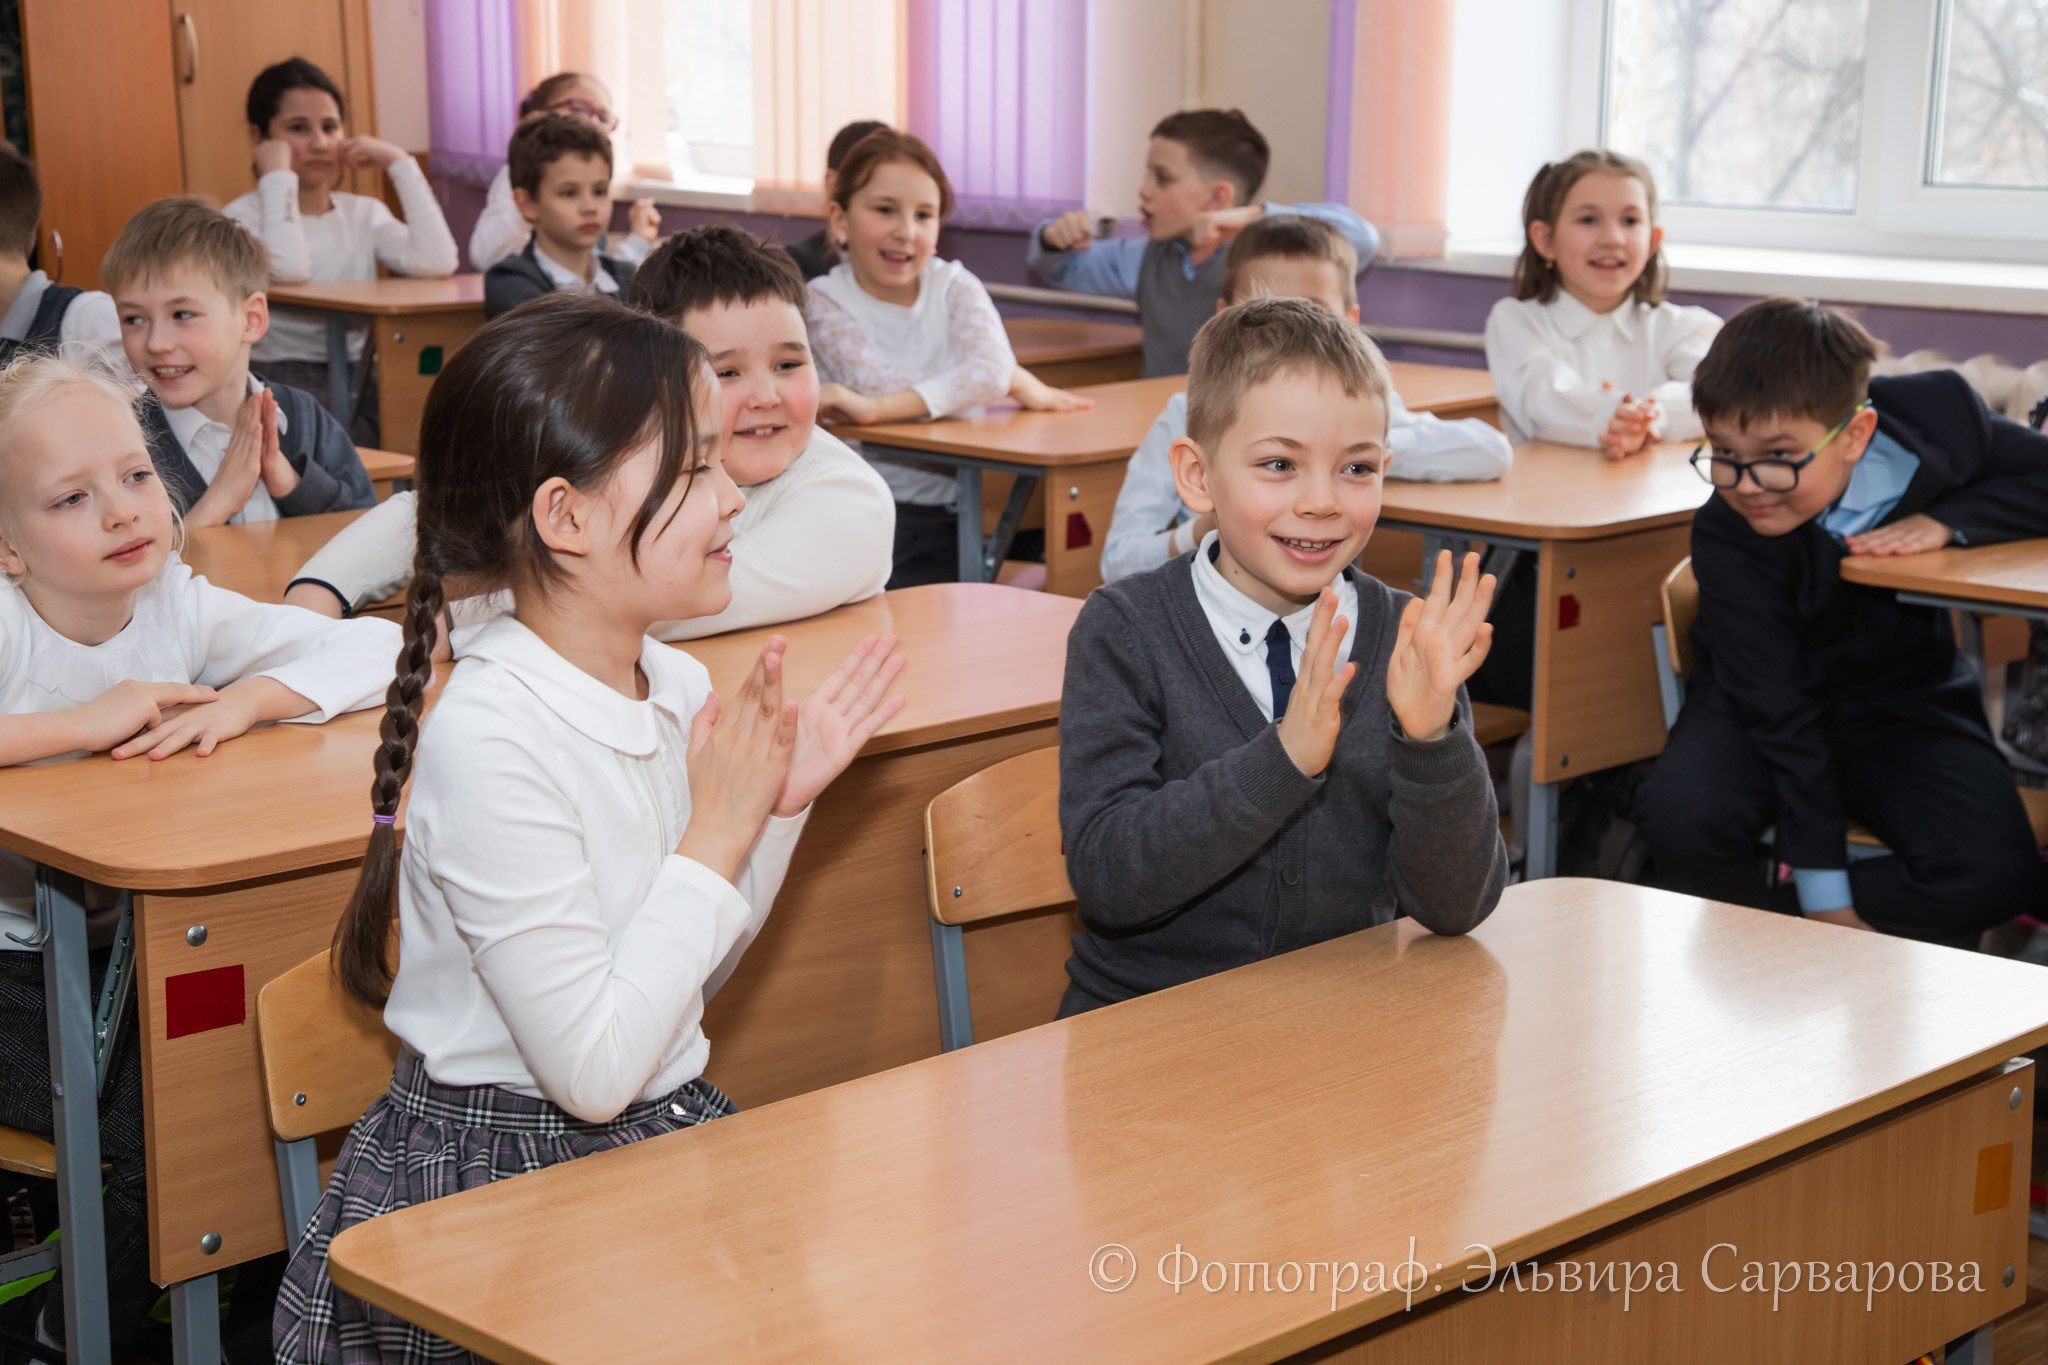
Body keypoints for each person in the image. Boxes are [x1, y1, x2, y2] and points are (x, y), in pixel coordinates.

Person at [0, 346, 396, 1355]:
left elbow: (385, 649)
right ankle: (77, 1327)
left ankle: (258, 1301)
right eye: (72, 499)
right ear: (7, 547)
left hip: (129, 945)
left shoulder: (175, 601)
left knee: (246, 1071)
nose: (126, 511)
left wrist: (254, 696)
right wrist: (84, 722)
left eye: (136, 476)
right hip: (11, 963)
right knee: (163, 1125)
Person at [1057, 297, 1508, 1014]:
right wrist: (1285, 758)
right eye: (1279, 464)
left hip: (1337, 1025)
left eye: (1357, 469)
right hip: (1149, 1027)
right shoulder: (1124, 630)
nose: (1323, 501)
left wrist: (1431, 741)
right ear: (1197, 477)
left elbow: (1457, 907)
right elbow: (1111, 877)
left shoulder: (1405, 637)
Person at [1636, 298, 2048, 943]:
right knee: (1679, 820)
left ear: (1854, 435)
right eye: (1721, 452)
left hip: (1901, 704)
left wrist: (1951, 522)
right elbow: (1781, 715)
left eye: (1777, 455)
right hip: (1755, 706)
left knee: (1997, 874)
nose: (1746, 484)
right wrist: (1825, 886)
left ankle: (1783, 917)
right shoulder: (1728, 530)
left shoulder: (1940, 417)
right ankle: (1788, 934)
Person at [283, 225, 896, 639]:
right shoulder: (623, 450)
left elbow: (661, 604)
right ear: (656, 375)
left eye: (790, 364)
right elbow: (439, 508)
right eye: (726, 371)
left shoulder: (852, 506)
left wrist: (453, 624)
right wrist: (318, 595)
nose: (767, 395)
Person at [1100, 214, 1510, 583]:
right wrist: (1204, 528)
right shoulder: (1183, 413)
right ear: (1223, 316)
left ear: (1350, 324)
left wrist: (1348, 451)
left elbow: (1491, 451)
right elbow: (1117, 563)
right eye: (1279, 463)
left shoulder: (1366, 412)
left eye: (1310, 311)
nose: (1287, 332)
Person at [1028, 108, 1380, 377]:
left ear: (1217, 198)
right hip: (1165, 425)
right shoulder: (1147, 256)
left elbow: (1362, 238)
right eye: (1147, 174)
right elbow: (1065, 266)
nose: (1144, 190)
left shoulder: (1264, 260)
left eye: (1162, 178)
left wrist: (1251, 216)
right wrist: (1053, 237)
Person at [226, 56, 459, 444]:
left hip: (362, 368)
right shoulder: (238, 218)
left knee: (424, 425)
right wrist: (278, 176)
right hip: (280, 374)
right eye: (298, 128)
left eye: (330, 127)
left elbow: (437, 261)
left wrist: (400, 164)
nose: (319, 143)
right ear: (259, 137)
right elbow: (290, 268)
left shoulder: (363, 212)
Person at [106, 197, 375, 526]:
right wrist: (217, 504)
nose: (157, 343)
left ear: (250, 320)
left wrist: (291, 484)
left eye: (182, 314)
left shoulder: (302, 417)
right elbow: (126, 571)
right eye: (133, 319)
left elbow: (369, 535)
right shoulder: (122, 440)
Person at [1484, 149, 1721, 456]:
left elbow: (1720, 396)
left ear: (1652, 240)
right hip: (1547, 499)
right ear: (1545, 239)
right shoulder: (1516, 321)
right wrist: (1613, 416)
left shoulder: (1682, 328)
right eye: (1588, 219)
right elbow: (1543, 400)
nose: (1612, 238)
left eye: (1630, 220)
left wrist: (1652, 416)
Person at [482, 114, 639, 319]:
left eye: (599, 191)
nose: (590, 207)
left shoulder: (627, 278)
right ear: (527, 204)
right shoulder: (510, 283)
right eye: (569, 193)